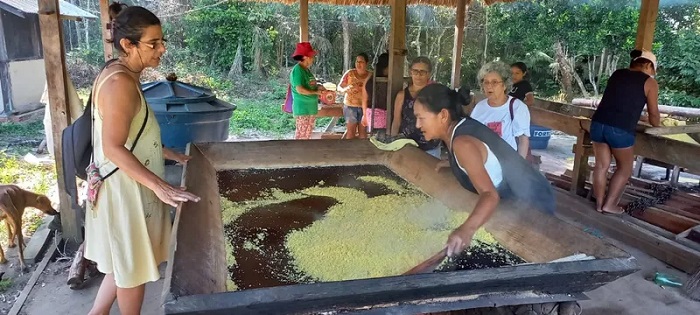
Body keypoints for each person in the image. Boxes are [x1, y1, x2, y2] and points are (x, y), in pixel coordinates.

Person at [85, 4, 200, 315]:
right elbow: (113, 147)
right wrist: (160, 186)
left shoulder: (122, 72)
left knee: (122, 258)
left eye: (162, 41)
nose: (161, 49)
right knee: (132, 268)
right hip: (125, 190)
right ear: (128, 44)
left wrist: (167, 153)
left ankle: (96, 313)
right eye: (153, 43)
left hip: (123, 183)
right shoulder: (120, 83)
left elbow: (131, 132)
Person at [414, 83, 554, 256]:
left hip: (533, 201)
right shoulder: (458, 130)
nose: (417, 124)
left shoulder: (462, 143)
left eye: (421, 118)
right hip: (518, 197)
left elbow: (490, 195)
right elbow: (480, 160)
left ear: (443, 115)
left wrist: (466, 230)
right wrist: (454, 163)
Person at [591, 49, 660, 215]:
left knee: (601, 166)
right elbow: (654, 118)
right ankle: (610, 205)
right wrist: (655, 121)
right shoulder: (650, 83)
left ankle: (600, 204)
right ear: (648, 65)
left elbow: (620, 102)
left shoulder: (617, 74)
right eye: (653, 70)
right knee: (625, 168)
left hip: (598, 124)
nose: (653, 74)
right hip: (620, 129)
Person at [470, 61, 531, 158]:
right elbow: (471, 136)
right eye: (486, 82)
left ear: (505, 85)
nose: (489, 86)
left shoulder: (517, 107)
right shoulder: (479, 108)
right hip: (482, 161)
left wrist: (519, 168)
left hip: (507, 163)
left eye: (495, 82)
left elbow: (523, 140)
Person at [391, 56, 441, 158]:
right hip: (407, 146)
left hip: (430, 147)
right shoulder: (402, 95)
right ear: (410, 72)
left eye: (423, 72)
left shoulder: (436, 94)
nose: (418, 75)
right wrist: (393, 143)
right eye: (415, 71)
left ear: (429, 74)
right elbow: (396, 121)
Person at [290, 42, 324, 140]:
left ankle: (303, 154)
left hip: (310, 109)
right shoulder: (298, 70)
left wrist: (319, 87)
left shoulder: (306, 70)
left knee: (307, 136)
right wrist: (316, 93)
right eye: (311, 56)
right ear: (305, 57)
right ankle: (298, 155)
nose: (313, 58)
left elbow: (310, 85)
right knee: (301, 137)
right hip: (303, 110)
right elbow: (300, 90)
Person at [338, 53, 372, 139]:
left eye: (361, 62)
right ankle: (349, 152)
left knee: (363, 133)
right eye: (357, 61)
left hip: (365, 107)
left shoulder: (371, 75)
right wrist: (347, 88)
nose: (358, 64)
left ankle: (362, 151)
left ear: (366, 63)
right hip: (350, 106)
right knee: (350, 132)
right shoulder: (350, 73)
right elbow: (339, 87)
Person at [362, 52, 389, 132]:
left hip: (371, 113)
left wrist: (365, 115)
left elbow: (364, 99)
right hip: (384, 114)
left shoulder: (370, 77)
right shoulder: (388, 80)